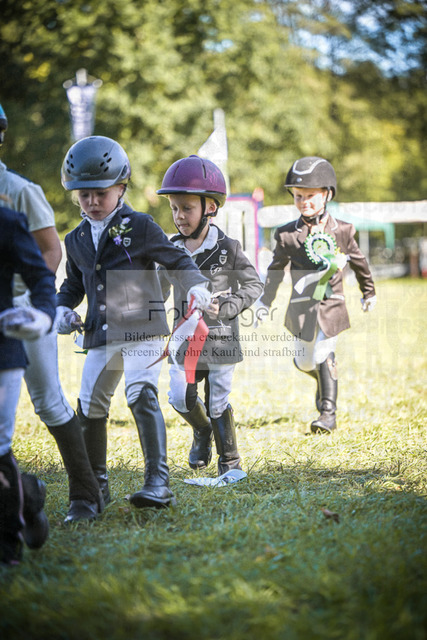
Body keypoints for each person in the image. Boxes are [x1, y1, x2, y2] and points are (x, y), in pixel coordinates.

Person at [57, 136, 211, 508]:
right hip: (99, 333)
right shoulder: (75, 238)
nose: (92, 202)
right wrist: (60, 308)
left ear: (121, 188)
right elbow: (73, 284)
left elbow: (177, 259)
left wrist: (196, 286)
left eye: (101, 194)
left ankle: (158, 483)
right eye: (84, 195)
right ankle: (95, 490)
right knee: (89, 405)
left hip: (143, 327)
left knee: (140, 393)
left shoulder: (139, 226)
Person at [0, 102, 103, 523]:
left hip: (25, 309)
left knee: (47, 401)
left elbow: (49, 250)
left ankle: (85, 493)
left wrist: (35, 306)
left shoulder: (20, 191)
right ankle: (24, 494)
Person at [157, 155, 263, 475]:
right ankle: (202, 431)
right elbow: (157, 290)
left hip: (220, 340)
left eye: (187, 208)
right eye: (174, 208)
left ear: (210, 207)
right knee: (179, 397)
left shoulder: (229, 248)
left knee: (218, 399)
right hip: (184, 341)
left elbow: (254, 285)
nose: (179, 216)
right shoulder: (170, 250)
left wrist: (228, 308)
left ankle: (229, 459)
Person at [255, 156, 376, 434]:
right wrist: (264, 301)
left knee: (324, 352)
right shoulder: (286, 235)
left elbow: (359, 262)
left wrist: (368, 292)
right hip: (301, 307)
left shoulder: (342, 230)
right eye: (298, 196)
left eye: (310, 196)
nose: (303, 202)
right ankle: (324, 377)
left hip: (332, 304)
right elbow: (276, 270)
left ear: (327, 195)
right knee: (304, 361)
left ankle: (327, 414)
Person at [0, 203, 56, 565]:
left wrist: (43, 316)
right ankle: (29, 494)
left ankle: (7, 548)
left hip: (2, 349)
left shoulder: (7, 222)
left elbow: (40, 278)